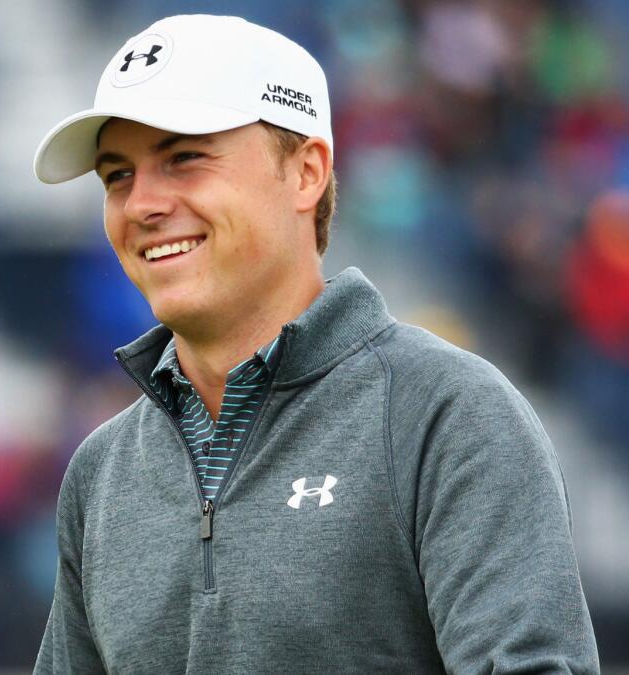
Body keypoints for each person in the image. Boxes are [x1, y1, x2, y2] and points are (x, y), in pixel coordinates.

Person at [31, 14, 599, 674]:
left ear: (306, 173)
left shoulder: (447, 415)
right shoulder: (100, 472)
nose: (142, 204)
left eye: (184, 158)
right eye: (116, 175)